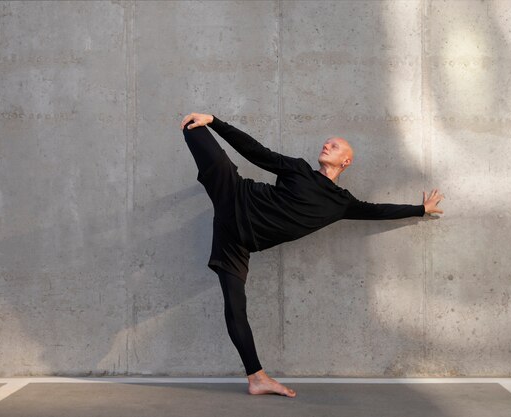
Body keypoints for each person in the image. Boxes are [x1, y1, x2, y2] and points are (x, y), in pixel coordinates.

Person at [180, 112, 444, 397]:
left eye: (335, 145)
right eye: (326, 142)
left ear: (346, 162)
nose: (326, 145)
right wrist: (216, 122)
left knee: (235, 309)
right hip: (235, 196)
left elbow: (377, 210)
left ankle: (257, 378)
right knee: (193, 127)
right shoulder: (299, 169)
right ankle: (202, 122)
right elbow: (257, 152)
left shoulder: (342, 203)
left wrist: (420, 209)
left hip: (237, 241)